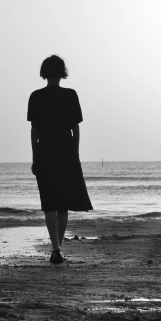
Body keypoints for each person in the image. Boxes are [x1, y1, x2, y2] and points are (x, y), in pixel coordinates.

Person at [27, 55, 93, 264]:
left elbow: (34, 132)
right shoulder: (70, 95)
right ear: (62, 72)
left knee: (49, 203)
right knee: (63, 204)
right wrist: (75, 153)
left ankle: (56, 248)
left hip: (45, 150)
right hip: (66, 151)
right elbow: (75, 128)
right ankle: (58, 249)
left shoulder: (36, 96)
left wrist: (35, 157)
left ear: (44, 73)